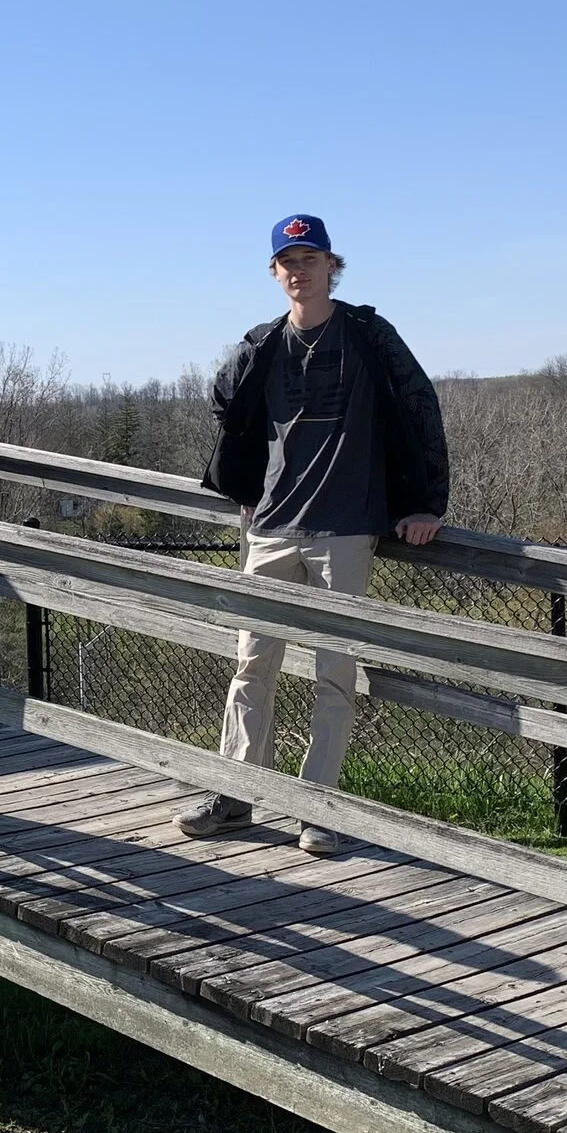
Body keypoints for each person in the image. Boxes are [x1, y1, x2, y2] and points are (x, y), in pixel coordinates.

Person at [186, 212, 450, 851]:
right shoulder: (264, 342)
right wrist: (245, 486)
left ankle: (318, 809)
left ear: (332, 265)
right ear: (275, 273)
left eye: (310, 259)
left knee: (335, 674)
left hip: (345, 528)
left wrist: (426, 503)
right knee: (252, 665)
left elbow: (420, 408)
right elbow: (228, 406)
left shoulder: (367, 334)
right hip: (273, 525)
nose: (298, 271)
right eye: (288, 262)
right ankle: (238, 795)